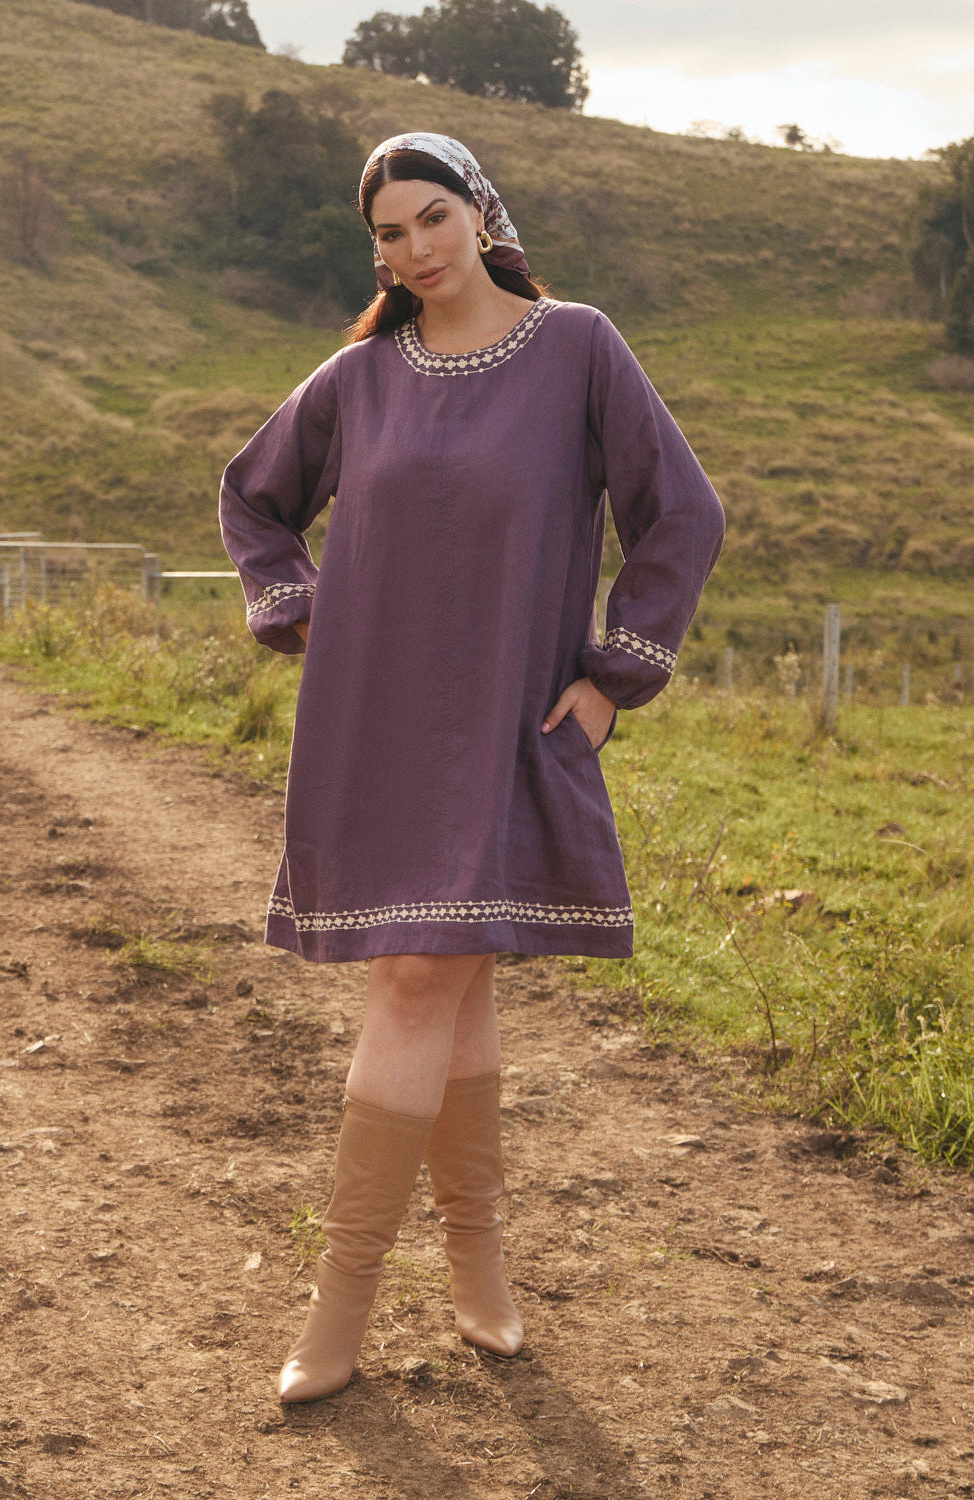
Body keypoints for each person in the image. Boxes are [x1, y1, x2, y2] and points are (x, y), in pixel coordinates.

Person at [219, 132, 725, 1403]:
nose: (415, 248)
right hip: (374, 723)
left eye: (432, 217)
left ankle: (361, 1302)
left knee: (421, 982)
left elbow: (682, 512)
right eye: (389, 233)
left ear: (481, 214)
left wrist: (614, 677)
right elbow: (253, 499)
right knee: (438, 988)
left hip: (508, 722)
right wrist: (298, 608)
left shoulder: (578, 349)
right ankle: (457, 1274)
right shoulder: (358, 379)